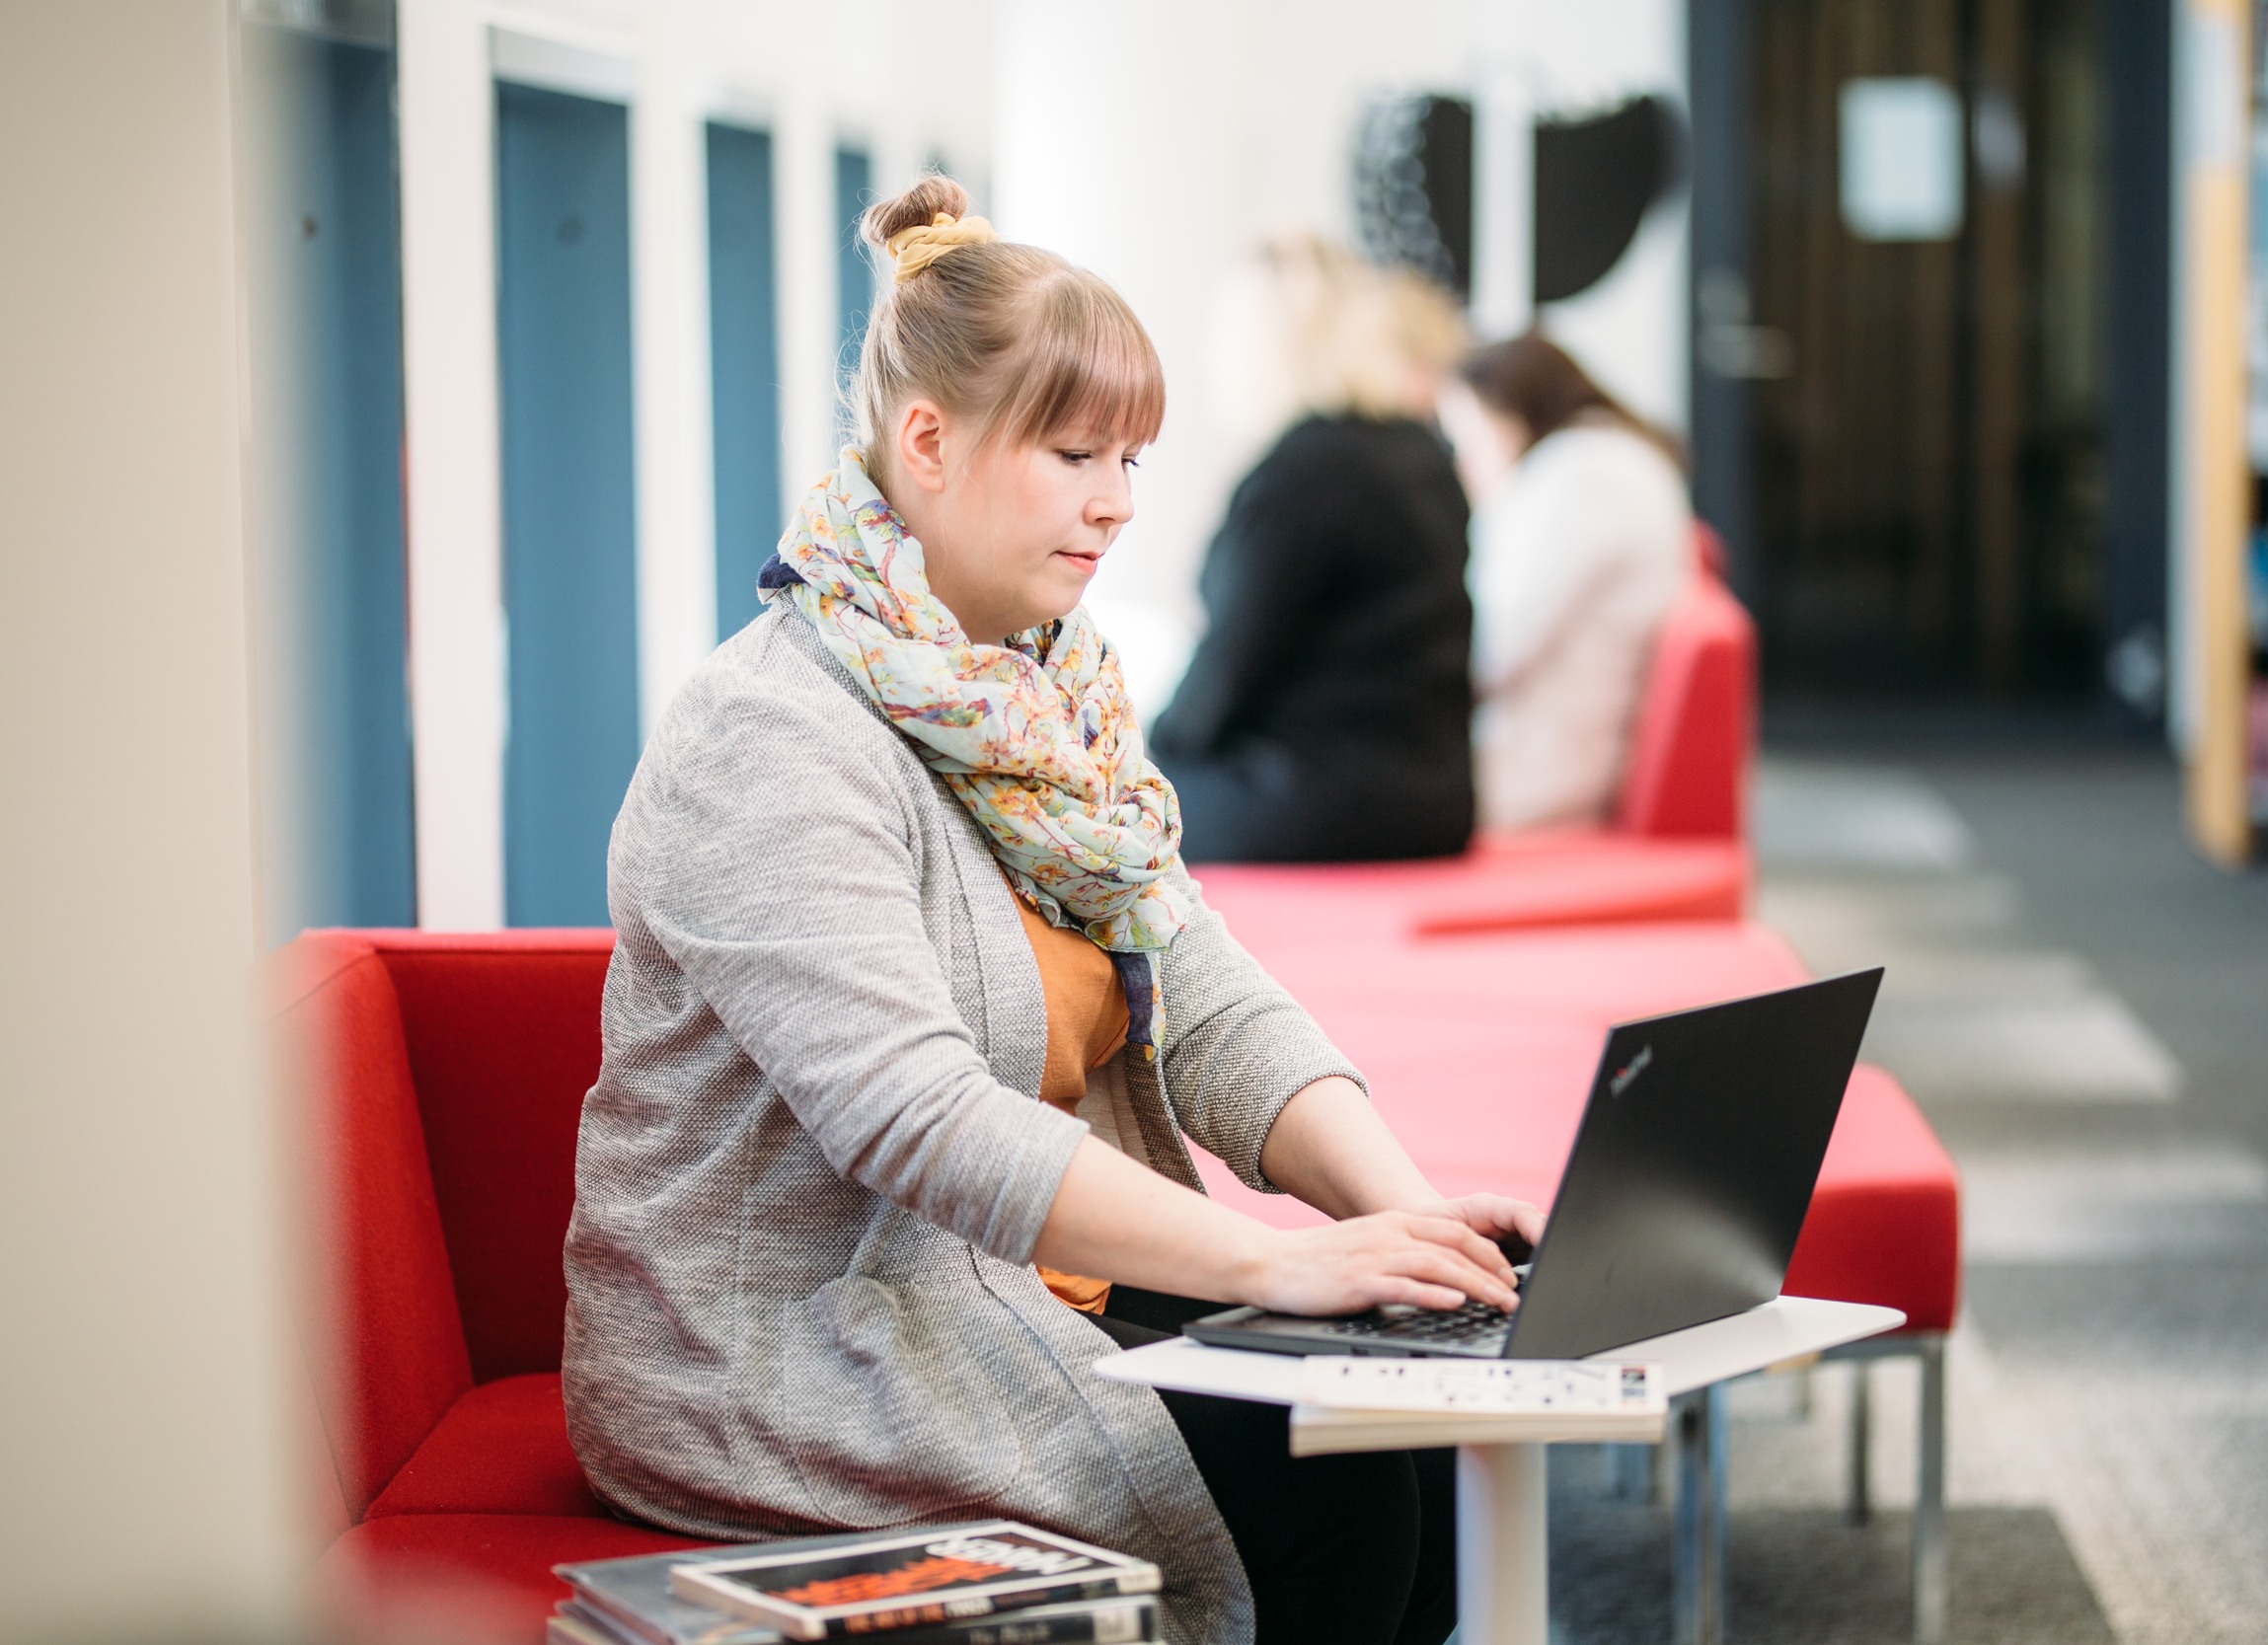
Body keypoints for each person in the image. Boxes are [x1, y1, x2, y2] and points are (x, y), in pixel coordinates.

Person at [561, 177, 1545, 1645]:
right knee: (1336, 1500)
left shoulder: (1042, 688)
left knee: (1405, 1427)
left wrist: (1390, 1209)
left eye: (1132, 457)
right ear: (929, 443)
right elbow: (916, 1114)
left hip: (1016, 1283)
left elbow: (1196, 980)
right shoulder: (766, 736)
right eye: (1074, 451)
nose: (1118, 503)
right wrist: (1280, 1258)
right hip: (793, 1345)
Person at [1147, 239, 1474, 861]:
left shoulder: (1299, 474)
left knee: (1106, 808)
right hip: (1439, 801)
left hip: (1319, 805)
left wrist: (1148, 748)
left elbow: (1230, 665)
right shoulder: (1423, 453)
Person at [1436, 333, 1695, 834]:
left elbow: (1493, 652)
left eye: (1470, 438)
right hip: (1552, 751)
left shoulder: (1581, 479)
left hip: (1537, 777)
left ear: (1514, 413)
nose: (1464, 464)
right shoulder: (1603, 462)